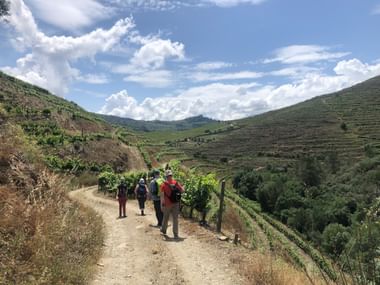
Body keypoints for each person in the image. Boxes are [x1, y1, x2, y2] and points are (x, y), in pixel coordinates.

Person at [160, 169, 185, 239]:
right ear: (171, 175)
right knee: (175, 219)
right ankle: (176, 234)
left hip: (167, 204)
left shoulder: (163, 184)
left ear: (166, 176)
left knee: (166, 217)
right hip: (176, 203)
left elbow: (162, 195)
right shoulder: (176, 183)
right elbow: (182, 191)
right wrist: (182, 187)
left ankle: (164, 230)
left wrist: (162, 204)